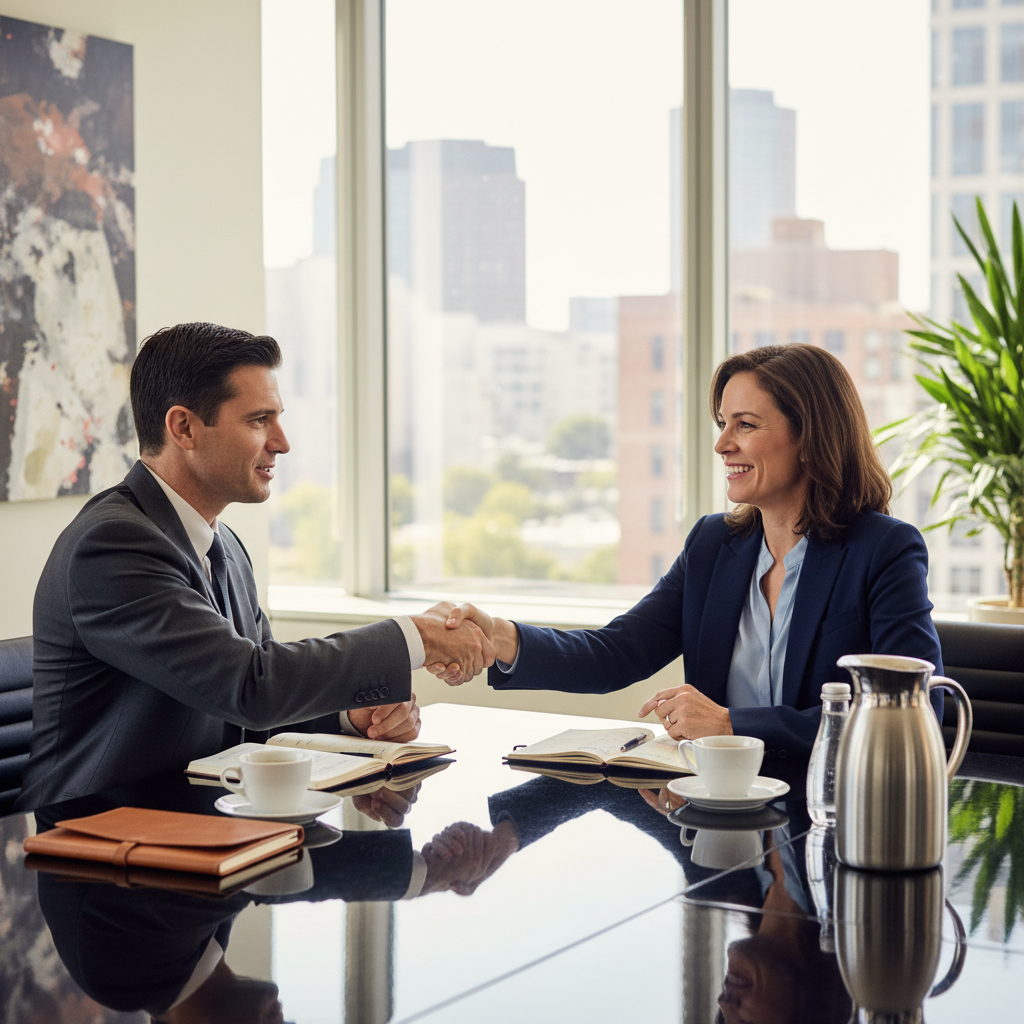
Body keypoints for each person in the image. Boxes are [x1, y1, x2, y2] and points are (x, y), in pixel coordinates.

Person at [16, 323, 494, 809]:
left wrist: (354, 717)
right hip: (93, 845)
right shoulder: (113, 544)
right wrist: (415, 636)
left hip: (199, 825)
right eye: (259, 420)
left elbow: (258, 708)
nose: (282, 443)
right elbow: (251, 686)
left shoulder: (222, 544)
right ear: (183, 428)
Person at [432, 344, 942, 757]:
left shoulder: (883, 550)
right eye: (722, 423)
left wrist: (729, 724)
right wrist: (501, 637)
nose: (722, 445)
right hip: (719, 815)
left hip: (829, 817)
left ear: (809, 438)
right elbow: (616, 654)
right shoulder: (714, 545)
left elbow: (910, 714)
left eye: (745, 424)